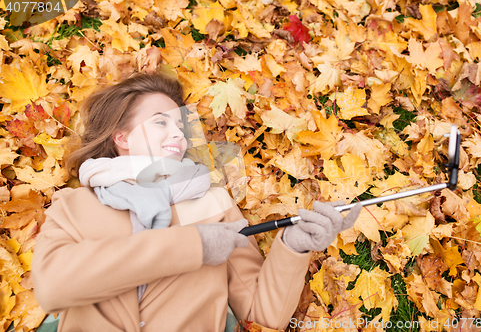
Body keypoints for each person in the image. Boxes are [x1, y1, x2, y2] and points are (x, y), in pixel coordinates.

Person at [32, 72, 362, 332]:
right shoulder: (74, 204)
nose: (177, 134)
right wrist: (194, 246)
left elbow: (263, 313)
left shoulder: (213, 204)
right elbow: (53, 286)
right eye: (161, 122)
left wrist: (294, 246)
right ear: (122, 137)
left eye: (180, 125)